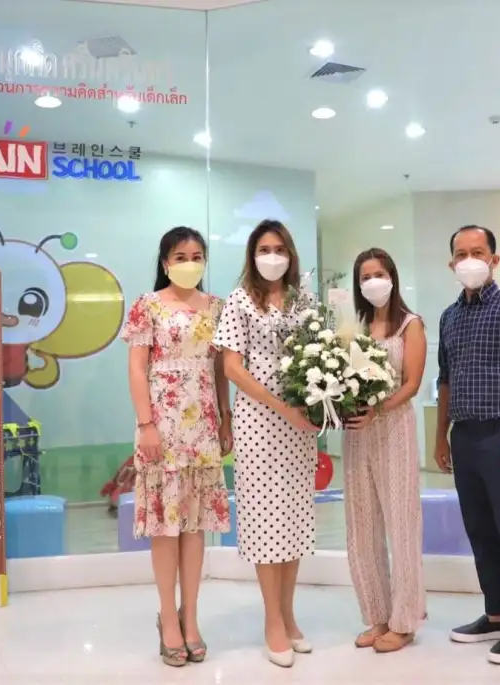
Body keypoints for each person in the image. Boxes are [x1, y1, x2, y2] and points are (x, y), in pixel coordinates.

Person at [119, 226, 232, 667]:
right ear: (166, 262)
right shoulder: (147, 305)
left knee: (194, 526)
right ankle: (168, 616)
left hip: (202, 426)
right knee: (166, 527)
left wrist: (225, 417)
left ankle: (191, 617)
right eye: (181, 256)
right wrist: (146, 423)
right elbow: (136, 368)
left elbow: (220, 369)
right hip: (161, 426)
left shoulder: (217, 307)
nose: (189, 263)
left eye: (197, 255)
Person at [213, 219, 320, 668]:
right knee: (264, 522)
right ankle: (271, 620)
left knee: (293, 520)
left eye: (279, 248)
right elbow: (232, 368)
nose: (272, 256)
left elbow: (321, 355)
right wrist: (280, 405)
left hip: (299, 425)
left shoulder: (303, 301)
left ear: (290, 254)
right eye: (263, 249)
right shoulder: (239, 301)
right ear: (252, 255)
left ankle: (289, 615)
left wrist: (314, 405)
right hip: (259, 422)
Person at [435, 225, 500, 665]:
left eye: (478, 252)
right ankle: (497, 614)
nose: (470, 260)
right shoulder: (449, 317)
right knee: (479, 529)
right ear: (451, 263)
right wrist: (440, 437)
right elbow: (444, 381)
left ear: (494, 259)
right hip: (464, 435)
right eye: (461, 253)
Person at [343, 248, 427, 653]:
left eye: (379, 274)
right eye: (365, 277)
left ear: (392, 277)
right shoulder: (354, 328)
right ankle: (377, 616)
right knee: (361, 526)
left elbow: (412, 383)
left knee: (401, 524)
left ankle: (405, 620)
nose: (373, 282)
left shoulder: (411, 324)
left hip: (393, 428)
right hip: (357, 434)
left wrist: (378, 410)